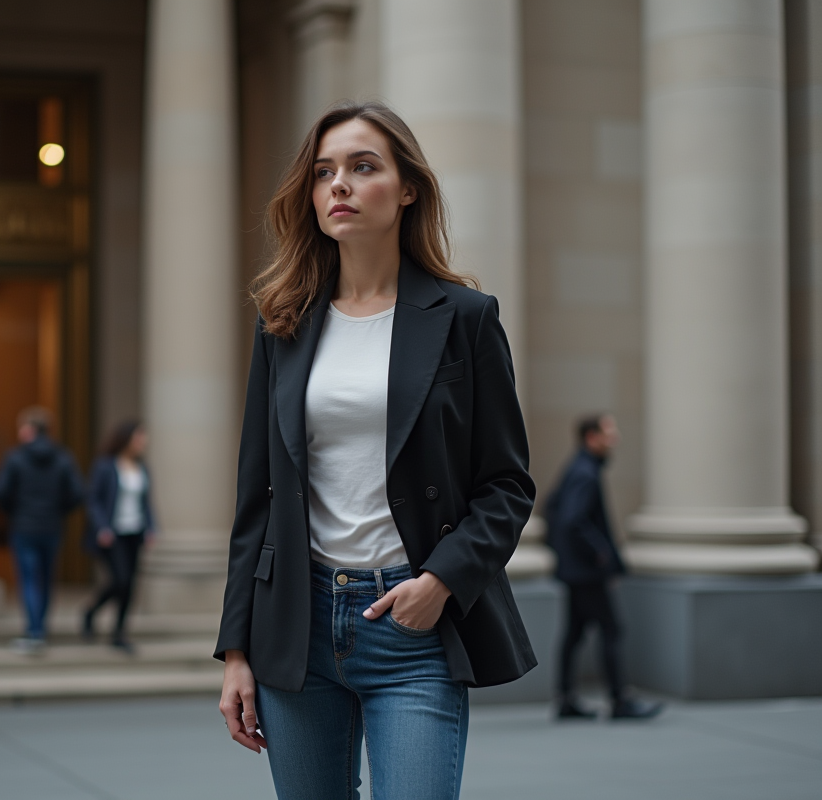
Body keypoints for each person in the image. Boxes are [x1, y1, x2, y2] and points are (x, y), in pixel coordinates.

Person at [215, 101, 538, 799]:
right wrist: (236, 650)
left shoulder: (466, 319)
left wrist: (443, 581)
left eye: (363, 168)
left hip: (410, 624)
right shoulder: (283, 325)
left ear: (408, 187)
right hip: (295, 628)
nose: (340, 185)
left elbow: (507, 483)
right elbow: (255, 498)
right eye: (324, 171)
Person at [546, 414, 663, 721]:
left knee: (575, 633)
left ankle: (565, 699)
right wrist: (601, 553)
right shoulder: (585, 472)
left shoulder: (577, 468)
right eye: (609, 433)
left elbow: (552, 508)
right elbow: (573, 519)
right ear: (591, 437)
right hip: (587, 572)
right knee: (611, 629)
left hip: (575, 570)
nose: (615, 439)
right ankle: (619, 700)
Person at [0, 408, 84, 652]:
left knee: (30, 578)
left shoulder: (15, 457)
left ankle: (34, 630)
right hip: (52, 526)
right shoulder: (63, 457)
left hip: (24, 526)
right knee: (46, 578)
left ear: (30, 430)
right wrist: (58, 510)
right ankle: (40, 626)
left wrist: (14, 510)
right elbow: (76, 493)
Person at [82, 421, 157, 653]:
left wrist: (152, 527)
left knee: (130, 585)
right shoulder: (105, 466)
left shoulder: (141, 467)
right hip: (112, 534)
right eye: (139, 437)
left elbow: (146, 502)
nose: (142, 442)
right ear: (126, 439)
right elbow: (93, 499)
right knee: (120, 580)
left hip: (135, 532)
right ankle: (91, 611)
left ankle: (119, 632)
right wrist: (102, 527)